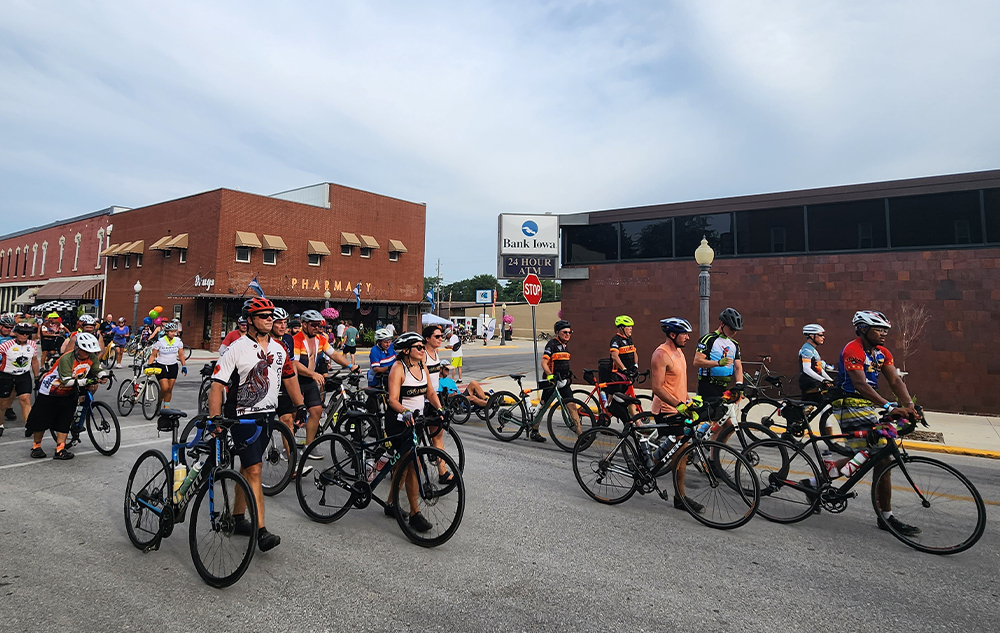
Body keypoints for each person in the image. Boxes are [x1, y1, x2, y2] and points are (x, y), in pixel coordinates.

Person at [208, 297, 305, 552]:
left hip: (267, 417)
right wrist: (214, 417)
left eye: (271, 315)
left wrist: (300, 405)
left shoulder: (280, 348)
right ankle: (261, 530)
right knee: (255, 470)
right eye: (263, 316)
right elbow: (217, 385)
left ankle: (238, 517)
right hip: (241, 417)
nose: (269, 319)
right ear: (250, 320)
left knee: (247, 467)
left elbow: (289, 377)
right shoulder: (236, 348)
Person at [827, 310, 922, 537]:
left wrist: (909, 406)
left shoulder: (882, 353)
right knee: (881, 457)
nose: (883, 334)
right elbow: (860, 384)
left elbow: (895, 380)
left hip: (868, 407)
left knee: (871, 456)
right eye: (878, 329)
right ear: (862, 330)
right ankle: (886, 517)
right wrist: (889, 406)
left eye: (885, 330)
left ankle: (818, 479)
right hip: (849, 404)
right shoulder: (853, 350)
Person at [384, 332, 445, 531]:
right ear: (406, 351)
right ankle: (414, 514)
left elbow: (430, 392)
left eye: (422, 347)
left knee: (402, 464)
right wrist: (406, 411)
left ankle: (391, 503)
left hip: (414, 422)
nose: (422, 350)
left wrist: (441, 409)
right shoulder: (397, 368)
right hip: (399, 421)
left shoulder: (422, 366)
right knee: (414, 464)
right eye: (418, 347)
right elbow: (392, 400)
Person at [647, 317, 705, 513]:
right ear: (672, 335)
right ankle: (680, 497)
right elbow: (657, 388)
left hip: (679, 406)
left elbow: (678, 384)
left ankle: (652, 461)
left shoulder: (679, 352)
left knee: (678, 446)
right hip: (666, 409)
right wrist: (678, 405)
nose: (688, 338)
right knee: (683, 451)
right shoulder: (661, 355)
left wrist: (688, 401)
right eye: (684, 334)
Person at [26, 332, 103, 460]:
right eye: (86, 351)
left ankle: (60, 449)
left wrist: (103, 376)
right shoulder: (66, 358)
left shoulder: (91, 357)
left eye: (91, 351)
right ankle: (36, 447)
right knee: (41, 419)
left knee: (65, 419)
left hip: (70, 391)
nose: (88, 354)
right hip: (51, 390)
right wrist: (88, 381)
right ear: (78, 348)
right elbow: (66, 380)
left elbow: (96, 369)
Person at [293, 310, 359, 455]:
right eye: (314, 325)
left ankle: (308, 447)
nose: (318, 328)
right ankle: (288, 447)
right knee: (292, 415)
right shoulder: (296, 339)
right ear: (304, 325)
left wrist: (350, 366)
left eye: (320, 324)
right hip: (295, 380)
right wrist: (313, 373)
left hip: (310, 380)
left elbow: (334, 354)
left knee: (316, 411)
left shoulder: (320, 339)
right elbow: (294, 365)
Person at [534, 320, 581, 443]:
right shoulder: (552, 344)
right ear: (557, 333)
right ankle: (534, 429)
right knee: (544, 406)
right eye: (564, 332)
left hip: (563, 381)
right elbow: (544, 363)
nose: (568, 334)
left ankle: (581, 435)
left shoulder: (566, 346)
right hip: (551, 382)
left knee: (572, 407)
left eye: (569, 332)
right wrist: (550, 375)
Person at [693, 308, 744, 400]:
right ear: (722, 323)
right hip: (708, 386)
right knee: (710, 413)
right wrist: (718, 363)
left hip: (725, 386)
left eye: (736, 330)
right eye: (732, 329)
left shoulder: (734, 344)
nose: (734, 332)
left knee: (729, 414)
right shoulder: (709, 339)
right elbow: (697, 361)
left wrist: (739, 384)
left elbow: (738, 367)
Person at [0, 322, 39, 436]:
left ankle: (29, 425)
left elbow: (34, 360)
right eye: (22, 333)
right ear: (16, 333)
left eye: (27, 334)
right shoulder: (6, 345)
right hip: (6, 375)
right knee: (3, 404)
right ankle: (0, 424)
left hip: (23, 375)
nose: (24, 336)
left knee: (25, 399)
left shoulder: (32, 345)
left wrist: (36, 377)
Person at [147, 321, 186, 409]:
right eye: (171, 331)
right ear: (167, 332)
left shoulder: (178, 341)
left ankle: (166, 408)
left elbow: (181, 354)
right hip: (161, 365)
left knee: (169, 389)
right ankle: (160, 402)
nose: (173, 333)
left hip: (173, 365)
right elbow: (153, 355)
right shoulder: (160, 342)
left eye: (174, 331)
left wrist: (184, 366)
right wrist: (149, 365)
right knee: (165, 388)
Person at [609, 315, 640, 418]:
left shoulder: (629, 339)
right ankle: (606, 411)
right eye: (628, 326)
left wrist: (635, 366)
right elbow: (614, 356)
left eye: (631, 326)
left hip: (627, 375)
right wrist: (624, 369)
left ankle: (637, 423)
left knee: (629, 398)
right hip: (617, 374)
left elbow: (635, 353)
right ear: (621, 328)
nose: (631, 328)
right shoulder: (615, 340)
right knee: (616, 398)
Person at [799, 323, 835, 406]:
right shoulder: (807, 350)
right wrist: (822, 380)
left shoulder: (813, 350)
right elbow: (806, 369)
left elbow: (818, 368)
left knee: (810, 406)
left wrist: (829, 379)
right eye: (821, 335)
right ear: (812, 336)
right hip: (808, 383)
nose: (823, 337)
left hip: (813, 382)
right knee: (823, 405)